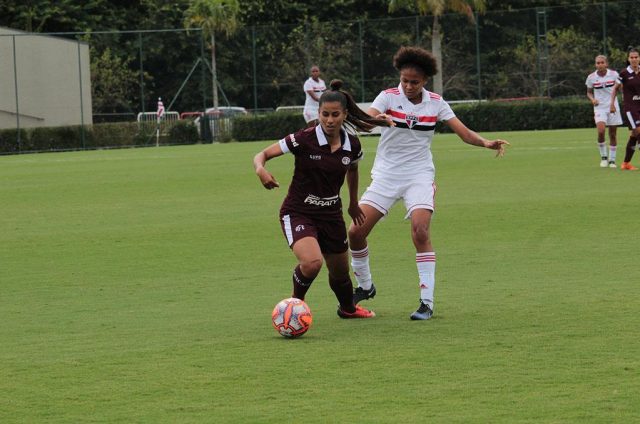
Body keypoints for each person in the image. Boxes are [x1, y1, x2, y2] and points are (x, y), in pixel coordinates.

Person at [347, 46, 509, 321]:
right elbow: (365, 120)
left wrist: (485, 142)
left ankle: (426, 302)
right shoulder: (388, 96)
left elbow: (463, 132)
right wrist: (378, 119)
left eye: (414, 82)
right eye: (404, 80)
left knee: (420, 231)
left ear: (425, 81)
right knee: (355, 233)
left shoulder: (436, 102)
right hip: (386, 176)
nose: (408, 86)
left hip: (418, 175)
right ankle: (365, 286)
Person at [254, 80, 390, 319]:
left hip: (331, 214)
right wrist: (260, 169)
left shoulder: (352, 144)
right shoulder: (304, 138)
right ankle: (294, 309)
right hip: (298, 211)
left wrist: (353, 203)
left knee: (340, 272)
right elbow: (262, 154)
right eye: (324, 114)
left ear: (344, 114)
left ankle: (348, 309)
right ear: (318, 114)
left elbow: (353, 170)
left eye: (335, 115)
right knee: (312, 262)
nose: (329, 120)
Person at [585, 55, 622, 168]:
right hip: (599, 107)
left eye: (602, 62)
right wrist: (592, 99)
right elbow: (589, 92)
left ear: (606, 64)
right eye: (597, 63)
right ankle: (604, 158)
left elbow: (619, 88)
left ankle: (612, 160)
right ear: (595, 64)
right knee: (601, 131)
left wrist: (614, 103)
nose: (600, 65)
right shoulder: (591, 77)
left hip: (613, 107)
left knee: (612, 134)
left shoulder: (614, 74)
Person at [615, 47, 640, 171]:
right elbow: (615, 88)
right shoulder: (624, 73)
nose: (634, 59)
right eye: (632, 57)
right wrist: (611, 104)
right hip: (631, 108)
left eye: (636, 57)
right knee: (639, 132)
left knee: (634, 135)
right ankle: (626, 164)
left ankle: (626, 163)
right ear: (628, 59)